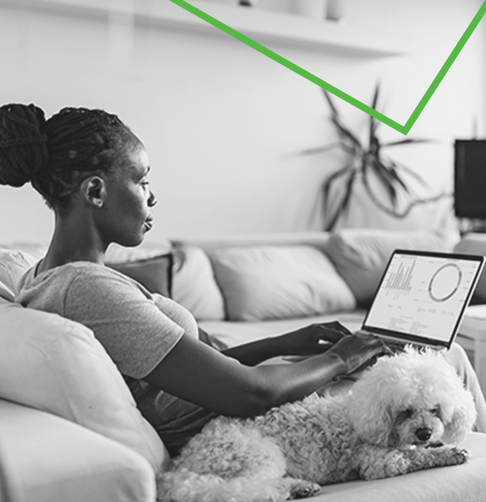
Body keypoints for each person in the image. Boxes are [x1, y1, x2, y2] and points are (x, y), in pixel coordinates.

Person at [0, 104, 484, 459]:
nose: (152, 197)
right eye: (143, 180)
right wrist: (340, 357)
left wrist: (286, 341)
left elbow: (185, 368)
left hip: (227, 407)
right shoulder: (86, 289)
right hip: (244, 427)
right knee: (447, 357)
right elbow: (248, 393)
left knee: (410, 355)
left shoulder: (45, 277)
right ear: (95, 190)